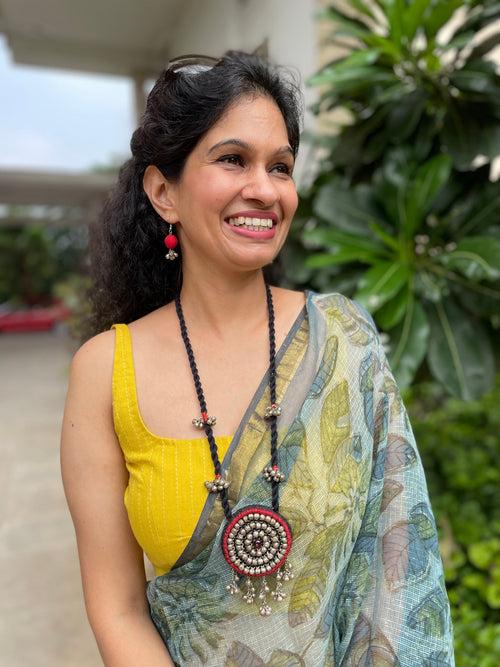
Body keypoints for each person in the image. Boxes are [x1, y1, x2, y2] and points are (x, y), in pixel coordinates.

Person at [60, 51, 455, 666]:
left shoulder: (342, 338)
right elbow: (117, 609)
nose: (264, 190)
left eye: (281, 167)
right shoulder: (106, 370)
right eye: (232, 160)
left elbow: (397, 561)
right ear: (164, 191)